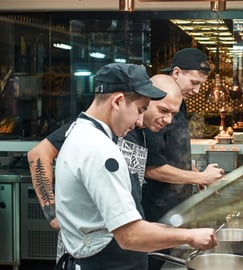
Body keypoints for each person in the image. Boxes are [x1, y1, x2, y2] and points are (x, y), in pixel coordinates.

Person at [32, 63, 217, 270]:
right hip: (98, 255)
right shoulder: (98, 147)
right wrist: (54, 214)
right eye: (141, 109)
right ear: (118, 101)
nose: (139, 121)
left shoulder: (92, 133)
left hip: (109, 244)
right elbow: (129, 235)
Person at [142, 48, 225, 270]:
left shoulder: (180, 102)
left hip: (175, 206)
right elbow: (151, 167)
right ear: (176, 72)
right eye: (194, 82)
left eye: (201, 84)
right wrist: (199, 178)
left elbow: (173, 150)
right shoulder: (157, 103)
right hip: (155, 208)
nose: (197, 90)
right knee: (154, 263)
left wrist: (196, 174)